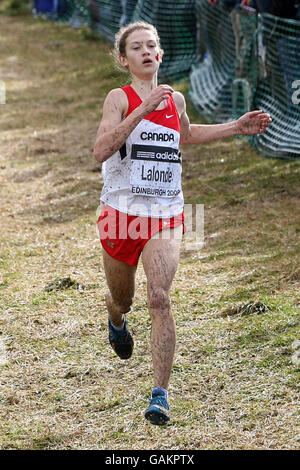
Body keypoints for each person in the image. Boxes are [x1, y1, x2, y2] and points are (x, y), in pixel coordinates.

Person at [93, 21, 271, 425]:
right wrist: (143, 107)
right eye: (136, 47)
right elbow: (101, 150)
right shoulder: (117, 99)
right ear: (124, 59)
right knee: (125, 298)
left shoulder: (177, 100)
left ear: (160, 54)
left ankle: (160, 395)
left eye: (151, 45)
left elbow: (184, 136)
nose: (145, 51)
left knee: (159, 296)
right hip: (121, 216)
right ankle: (115, 318)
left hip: (165, 213)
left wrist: (235, 127)